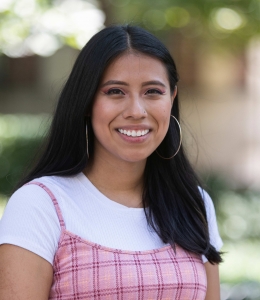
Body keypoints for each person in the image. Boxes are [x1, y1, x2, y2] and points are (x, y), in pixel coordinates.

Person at [0, 24, 223, 299]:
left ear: (172, 97)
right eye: (115, 91)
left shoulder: (194, 204)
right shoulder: (40, 205)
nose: (136, 111)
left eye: (153, 91)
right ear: (86, 100)